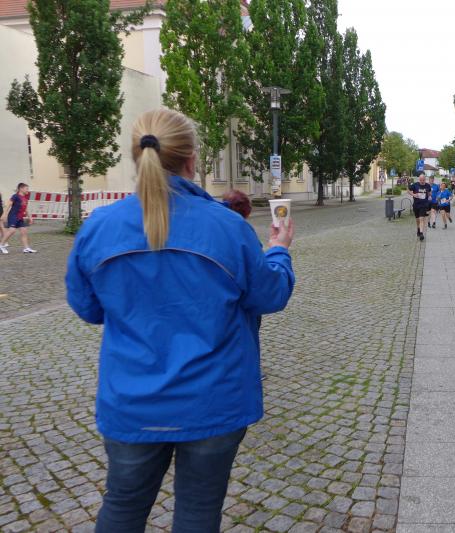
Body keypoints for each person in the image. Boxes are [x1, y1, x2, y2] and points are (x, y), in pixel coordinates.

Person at [65, 108, 295, 532]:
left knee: (122, 507)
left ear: (136, 157)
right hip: (212, 399)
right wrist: (279, 250)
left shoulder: (98, 228)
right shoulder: (228, 228)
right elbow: (270, 295)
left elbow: (88, 308)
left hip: (132, 401)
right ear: (191, 160)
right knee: (198, 512)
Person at [0, 182, 36, 254]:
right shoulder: (15, 196)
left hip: (20, 218)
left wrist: (30, 218)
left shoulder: (25, 198)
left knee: (24, 231)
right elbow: (8, 205)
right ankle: (1, 245)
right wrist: (4, 215)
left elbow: (26, 209)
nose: (27, 190)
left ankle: (26, 248)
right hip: (13, 216)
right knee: (12, 230)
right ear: (21, 189)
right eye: (26, 189)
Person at [408, 172, 431, 241]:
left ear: (425, 179)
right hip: (416, 205)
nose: (422, 181)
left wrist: (429, 196)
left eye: (423, 180)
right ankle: (418, 228)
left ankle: (421, 233)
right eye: (421, 180)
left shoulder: (428, 186)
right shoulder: (415, 185)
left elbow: (429, 193)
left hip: (424, 205)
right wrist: (414, 195)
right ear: (419, 179)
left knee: (421, 219)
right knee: (417, 219)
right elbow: (408, 190)